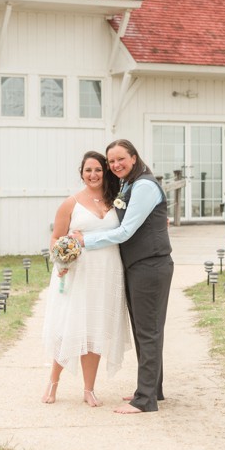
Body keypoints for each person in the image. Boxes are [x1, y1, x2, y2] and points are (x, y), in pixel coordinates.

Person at [71, 140, 173, 414]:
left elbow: (126, 231)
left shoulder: (144, 186)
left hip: (150, 265)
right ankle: (153, 388)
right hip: (138, 265)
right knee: (145, 330)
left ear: (134, 157)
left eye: (120, 159)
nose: (115, 165)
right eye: (111, 161)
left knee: (148, 331)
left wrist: (86, 241)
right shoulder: (128, 184)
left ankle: (145, 400)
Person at [40, 151, 131, 407]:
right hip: (79, 273)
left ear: (106, 172)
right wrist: (62, 260)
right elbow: (56, 238)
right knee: (69, 326)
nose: (93, 175)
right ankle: (53, 381)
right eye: (88, 170)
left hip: (108, 272)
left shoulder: (116, 202)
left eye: (98, 170)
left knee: (96, 328)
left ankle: (89, 389)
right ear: (82, 172)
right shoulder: (71, 204)